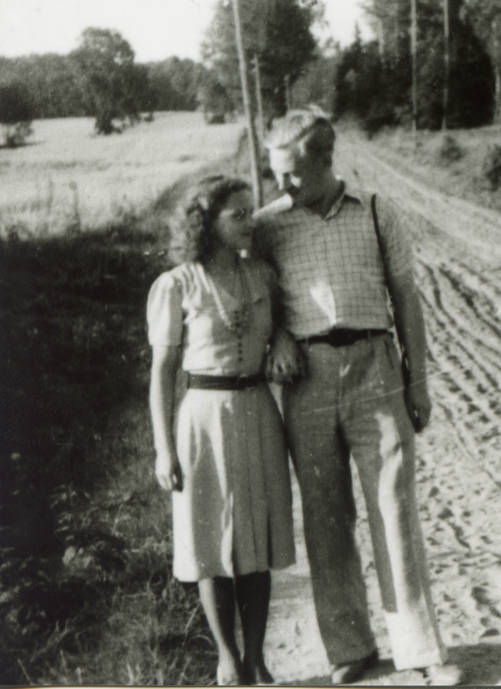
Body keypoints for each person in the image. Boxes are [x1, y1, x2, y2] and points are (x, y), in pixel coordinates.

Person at [253, 108, 463, 686]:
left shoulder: (375, 211)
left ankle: (421, 650)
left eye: (292, 174)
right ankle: (351, 649)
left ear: (325, 160)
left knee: (394, 509)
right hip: (307, 379)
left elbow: (406, 298)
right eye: (276, 174)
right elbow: (257, 299)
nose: (283, 186)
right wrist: (279, 337)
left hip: (376, 368)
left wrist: (417, 380)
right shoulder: (268, 226)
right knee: (325, 516)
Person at [148, 175, 295, 686]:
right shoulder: (178, 284)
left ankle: (257, 656)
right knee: (210, 540)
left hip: (257, 409)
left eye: (251, 211)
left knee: (255, 541)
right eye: (237, 214)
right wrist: (163, 450)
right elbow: (162, 373)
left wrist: (279, 337)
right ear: (205, 224)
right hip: (202, 419)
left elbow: (280, 323)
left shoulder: (263, 276)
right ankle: (228, 658)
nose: (249, 221)